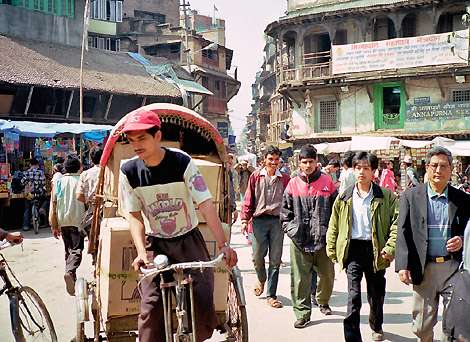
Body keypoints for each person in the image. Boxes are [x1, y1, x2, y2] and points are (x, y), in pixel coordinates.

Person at [117, 108, 237, 342]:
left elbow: (205, 204)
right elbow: (134, 216)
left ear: (157, 136)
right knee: (150, 308)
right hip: (156, 243)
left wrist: (224, 245)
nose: (136, 145)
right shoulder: (128, 170)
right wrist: (142, 253)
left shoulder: (182, 162)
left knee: (202, 294)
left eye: (142, 138)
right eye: (132, 140)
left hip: (188, 238)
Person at [395, 146, 470, 342]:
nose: (438, 170)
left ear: (451, 169)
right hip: (424, 267)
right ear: (427, 168)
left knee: (452, 321)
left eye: (443, 166)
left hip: (452, 268)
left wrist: (462, 240)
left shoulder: (462, 199)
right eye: (434, 165)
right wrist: (403, 265)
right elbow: (402, 231)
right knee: (422, 325)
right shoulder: (411, 197)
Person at [327, 151, 398, 342]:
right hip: (353, 250)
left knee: (376, 294)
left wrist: (390, 248)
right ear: (353, 169)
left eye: (366, 168)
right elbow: (334, 224)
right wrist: (332, 249)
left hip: (376, 250)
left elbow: (397, 223)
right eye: (358, 168)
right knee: (353, 296)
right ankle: (352, 337)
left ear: (373, 171)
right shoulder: (345, 196)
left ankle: (376, 325)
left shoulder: (385, 196)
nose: (361, 172)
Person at [281, 144, 337, 328]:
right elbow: (284, 213)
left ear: (317, 162)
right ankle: (302, 313)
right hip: (299, 239)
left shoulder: (328, 182)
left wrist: (332, 233)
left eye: (311, 162)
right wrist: (292, 230)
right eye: (304, 162)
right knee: (299, 279)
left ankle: (322, 301)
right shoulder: (292, 183)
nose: (307, 165)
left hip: (323, 239)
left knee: (327, 276)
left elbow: (337, 211)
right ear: (299, 163)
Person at [241, 145, 290, 309]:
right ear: (264, 160)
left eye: (276, 160)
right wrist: (244, 219)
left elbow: (290, 201)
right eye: (270, 159)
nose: (274, 163)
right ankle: (261, 279)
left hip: (277, 222)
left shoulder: (285, 178)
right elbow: (248, 199)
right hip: (259, 221)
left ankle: (271, 295)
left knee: (275, 260)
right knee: (257, 257)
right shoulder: (255, 177)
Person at [49, 155, 85, 296]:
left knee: (68, 249)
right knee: (76, 250)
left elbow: (53, 204)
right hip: (77, 220)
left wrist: (54, 224)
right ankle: (70, 272)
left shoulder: (58, 182)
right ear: (78, 167)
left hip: (63, 220)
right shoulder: (80, 180)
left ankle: (71, 276)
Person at [76, 146, 103, 235]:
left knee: (92, 240)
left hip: (92, 211)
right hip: (108, 212)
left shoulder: (85, 174)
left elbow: (79, 196)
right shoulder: (109, 171)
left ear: (91, 159)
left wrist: (89, 201)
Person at [21, 158, 46, 231]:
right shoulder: (41, 172)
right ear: (37, 164)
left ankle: (26, 225)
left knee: (27, 209)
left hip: (29, 194)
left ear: (30, 164)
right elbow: (43, 183)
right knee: (41, 203)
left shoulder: (26, 172)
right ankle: (40, 221)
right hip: (39, 193)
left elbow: (22, 182)